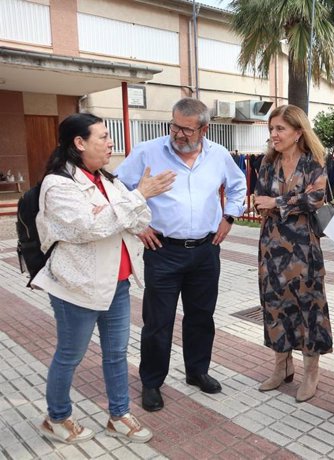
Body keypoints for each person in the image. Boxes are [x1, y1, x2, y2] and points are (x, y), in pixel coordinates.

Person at [33, 113, 175, 444]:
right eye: (103, 137)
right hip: (77, 287)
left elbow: (139, 219)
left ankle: (119, 415)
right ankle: (56, 418)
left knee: (116, 353)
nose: (111, 143)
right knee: (70, 354)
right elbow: (89, 227)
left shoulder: (106, 181)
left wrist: (127, 205)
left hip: (117, 283)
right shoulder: (58, 184)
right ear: (79, 143)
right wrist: (134, 198)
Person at [116, 98, 247, 412]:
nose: (178, 134)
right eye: (174, 126)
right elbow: (117, 187)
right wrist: (137, 225)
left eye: (187, 129)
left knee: (201, 317)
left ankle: (197, 371)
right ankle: (151, 382)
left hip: (205, 251)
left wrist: (229, 217)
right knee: (157, 322)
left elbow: (238, 185)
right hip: (162, 251)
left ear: (204, 128)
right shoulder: (148, 152)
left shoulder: (218, 155)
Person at [254, 104, 332, 402]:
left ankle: (311, 372)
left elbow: (315, 197)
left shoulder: (313, 162)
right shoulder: (267, 163)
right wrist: (279, 203)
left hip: (303, 246)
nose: (274, 134)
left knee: (308, 306)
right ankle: (281, 367)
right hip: (272, 245)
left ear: (298, 132)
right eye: (271, 129)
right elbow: (260, 200)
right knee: (275, 304)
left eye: (280, 129)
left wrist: (276, 203)